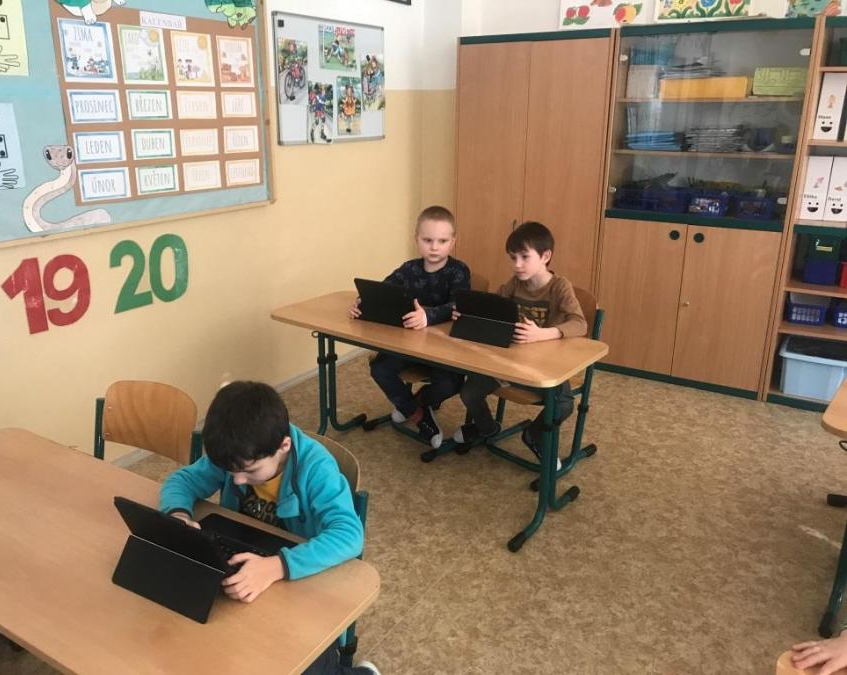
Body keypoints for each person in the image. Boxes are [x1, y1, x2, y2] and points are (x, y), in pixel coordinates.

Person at [159, 381, 377, 675]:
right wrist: (178, 514)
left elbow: (349, 535)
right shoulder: (237, 454)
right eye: (231, 472)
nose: (237, 480)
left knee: (303, 664)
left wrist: (277, 567)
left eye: (249, 471)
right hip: (249, 560)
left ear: (284, 446)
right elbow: (182, 481)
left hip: (301, 574)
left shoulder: (316, 468)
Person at [452, 221, 587, 468]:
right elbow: (493, 306)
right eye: (513, 257)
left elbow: (580, 324)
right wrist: (467, 312)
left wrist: (543, 334)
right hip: (510, 361)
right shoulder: (515, 283)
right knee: (469, 392)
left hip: (545, 366)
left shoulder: (559, 287)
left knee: (564, 404)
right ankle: (487, 428)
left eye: (525, 257)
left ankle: (534, 434)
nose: (517, 264)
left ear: (545, 256)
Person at [349, 205, 470, 449]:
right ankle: (416, 413)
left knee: (451, 383)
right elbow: (383, 289)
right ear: (417, 240)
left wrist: (428, 316)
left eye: (442, 241)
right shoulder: (408, 269)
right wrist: (362, 302)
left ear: (453, 242)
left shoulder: (459, 271)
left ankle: (417, 402)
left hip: (444, 348)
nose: (434, 247)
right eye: (427, 240)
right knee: (380, 368)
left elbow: (459, 304)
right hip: (409, 345)